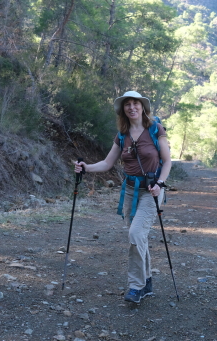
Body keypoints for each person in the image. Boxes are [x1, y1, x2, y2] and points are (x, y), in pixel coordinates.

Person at [74, 90, 172, 304]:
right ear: (123, 109)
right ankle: (146, 282)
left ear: (143, 107)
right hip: (129, 191)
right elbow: (107, 163)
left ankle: (136, 287)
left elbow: (167, 161)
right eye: (127, 104)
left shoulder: (155, 129)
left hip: (152, 190)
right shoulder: (122, 135)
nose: (132, 107)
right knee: (139, 237)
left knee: (136, 234)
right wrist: (86, 168)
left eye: (136, 103)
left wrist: (160, 184)